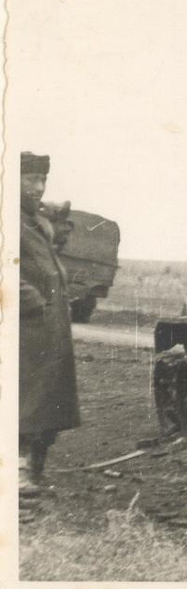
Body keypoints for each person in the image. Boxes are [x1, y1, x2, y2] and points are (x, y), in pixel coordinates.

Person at [19, 152, 81, 493]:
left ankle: (36, 472)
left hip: (51, 326)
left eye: (42, 180)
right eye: (30, 179)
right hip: (26, 327)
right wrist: (33, 303)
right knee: (25, 402)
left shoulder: (37, 221)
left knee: (50, 403)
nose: (38, 188)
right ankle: (16, 477)